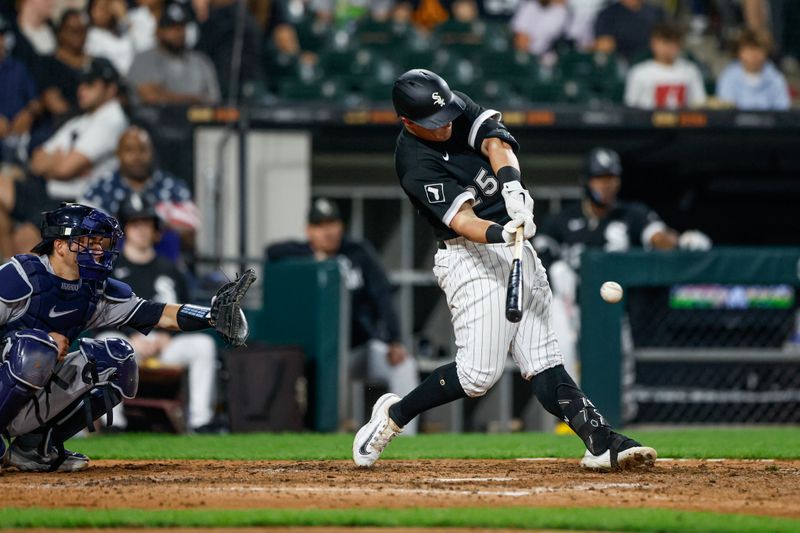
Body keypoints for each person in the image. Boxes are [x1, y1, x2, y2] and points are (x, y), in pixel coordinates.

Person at [352, 68, 657, 471]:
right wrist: (503, 230)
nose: (444, 127)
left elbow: (496, 141)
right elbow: (462, 221)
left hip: (515, 245)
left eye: (446, 118)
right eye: (433, 124)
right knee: (479, 375)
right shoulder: (413, 162)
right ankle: (393, 417)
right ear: (408, 122)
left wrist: (513, 188)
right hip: (468, 255)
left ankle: (602, 441)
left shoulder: (452, 106)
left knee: (543, 360)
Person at [0, 203, 251, 471]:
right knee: (36, 348)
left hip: (30, 392)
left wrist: (211, 317)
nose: (98, 250)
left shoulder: (93, 290)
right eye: (88, 242)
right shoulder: (19, 277)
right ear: (60, 246)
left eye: (100, 242)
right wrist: (37, 339)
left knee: (117, 358)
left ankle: (34, 448)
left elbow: (156, 313)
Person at [532, 148, 710, 377]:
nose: (607, 185)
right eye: (600, 178)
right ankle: (567, 412)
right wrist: (554, 269)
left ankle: (617, 413)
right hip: (571, 308)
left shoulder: (631, 215)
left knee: (617, 380)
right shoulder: (564, 219)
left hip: (613, 309)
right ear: (587, 181)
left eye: (612, 178)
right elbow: (538, 248)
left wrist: (682, 240)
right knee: (565, 370)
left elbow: (657, 236)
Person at [267, 198, 420, 433]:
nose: (328, 231)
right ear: (309, 230)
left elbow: (383, 296)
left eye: (332, 223)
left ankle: (405, 439)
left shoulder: (357, 252)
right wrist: (314, 258)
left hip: (358, 348)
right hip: (319, 358)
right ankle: (332, 436)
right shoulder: (301, 255)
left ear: (341, 226)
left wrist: (394, 340)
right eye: (320, 225)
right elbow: (272, 252)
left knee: (404, 366)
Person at [101, 195, 217, 432]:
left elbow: (186, 311)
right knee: (106, 343)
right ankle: (114, 424)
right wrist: (132, 337)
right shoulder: (110, 269)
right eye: (135, 224)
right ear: (124, 230)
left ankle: (201, 421)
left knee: (203, 344)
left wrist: (169, 337)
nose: (142, 230)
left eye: (147, 224)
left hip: (165, 345)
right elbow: (98, 316)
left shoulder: (170, 269)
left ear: (156, 230)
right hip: (129, 346)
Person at [82, 126, 199, 260]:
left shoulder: (174, 188)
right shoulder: (98, 190)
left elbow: (193, 236)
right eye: (129, 150)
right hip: (112, 270)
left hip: (167, 268)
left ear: (152, 152)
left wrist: (161, 227)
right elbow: (83, 239)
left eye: (143, 149)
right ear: (118, 154)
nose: (137, 156)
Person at [128, 2, 220, 106]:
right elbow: (151, 97)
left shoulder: (201, 61)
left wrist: (166, 94)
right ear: (158, 31)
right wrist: (195, 100)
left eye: (181, 27)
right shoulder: (143, 59)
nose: (178, 33)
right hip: (156, 120)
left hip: (197, 121)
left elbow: (213, 100)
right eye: (171, 28)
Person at [624, 22, 707, 110]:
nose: (669, 47)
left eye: (673, 42)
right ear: (653, 43)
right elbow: (631, 108)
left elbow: (699, 104)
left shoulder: (690, 70)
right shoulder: (639, 72)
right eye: (665, 42)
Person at [716, 29, 790, 111]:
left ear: (766, 52)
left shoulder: (776, 79)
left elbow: (782, 111)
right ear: (739, 52)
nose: (753, 55)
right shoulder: (728, 78)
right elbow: (725, 111)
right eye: (749, 49)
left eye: (758, 49)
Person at [593, 0, 665, 62]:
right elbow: (604, 46)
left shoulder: (657, 12)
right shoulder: (608, 15)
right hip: (622, 64)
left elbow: (667, 40)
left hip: (652, 63)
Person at [85, 0, 136, 75]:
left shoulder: (122, 30)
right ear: (91, 11)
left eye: (108, 7)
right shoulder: (91, 36)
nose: (106, 11)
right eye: (102, 8)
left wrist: (124, 18)